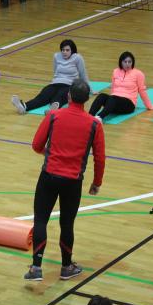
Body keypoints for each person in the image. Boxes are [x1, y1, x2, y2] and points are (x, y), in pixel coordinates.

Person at [24, 79, 105, 281]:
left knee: (41, 220)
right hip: (73, 182)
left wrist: (49, 155)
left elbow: (36, 145)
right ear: (86, 100)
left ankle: (36, 268)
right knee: (67, 224)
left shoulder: (53, 116)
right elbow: (100, 158)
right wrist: (96, 183)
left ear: (68, 96)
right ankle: (66, 267)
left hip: (49, 177)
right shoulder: (95, 124)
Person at [11, 39, 90, 114]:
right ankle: (24, 106)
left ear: (72, 50)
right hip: (55, 83)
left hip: (69, 85)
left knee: (59, 96)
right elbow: (55, 71)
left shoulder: (77, 57)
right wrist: (54, 82)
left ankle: (52, 111)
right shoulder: (56, 56)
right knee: (44, 95)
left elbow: (83, 74)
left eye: (67, 50)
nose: (64, 52)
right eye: (63, 50)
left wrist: (89, 89)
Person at [89, 51, 153, 120]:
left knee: (113, 99)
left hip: (128, 104)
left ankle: (99, 118)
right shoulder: (115, 71)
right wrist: (109, 102)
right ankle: (89, 116)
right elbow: (113, 88)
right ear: (121, 62)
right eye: (125, 62)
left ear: (133, 62)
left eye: (130, 62)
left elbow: (142, 91)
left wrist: (150, 106)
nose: (127, 64)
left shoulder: (138, 74)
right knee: (101, 96)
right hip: (114, 102)